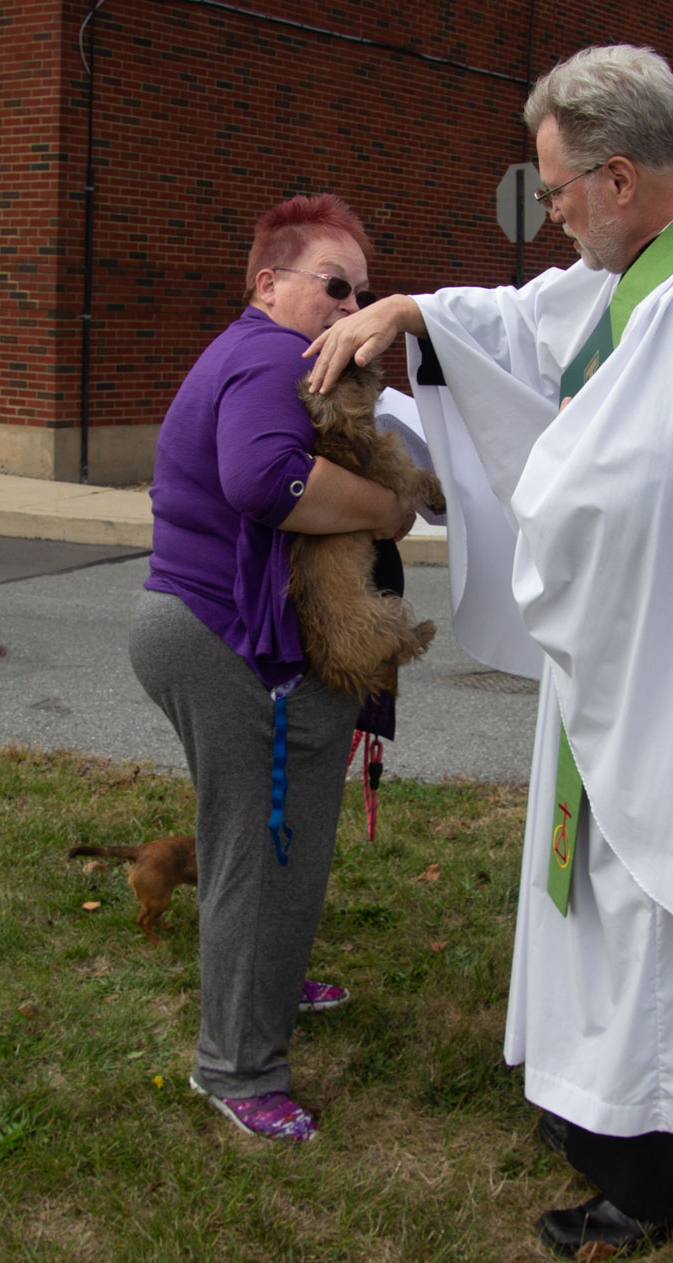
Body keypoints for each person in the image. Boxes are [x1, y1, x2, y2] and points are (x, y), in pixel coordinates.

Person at [307, 45, 673, 1252]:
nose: (552, 219)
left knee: (658, 905)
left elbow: (604, 492)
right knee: (636, 906)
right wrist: (419, 314)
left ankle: (665, 1174)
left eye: (559, 193)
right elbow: (537, 320)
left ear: (620, 178)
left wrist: (488, 474)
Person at [128, 193, 412, 1141]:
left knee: (282, 831)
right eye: (335, 286)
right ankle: (238, 1068)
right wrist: (385, 506)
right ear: (269, 283)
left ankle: (273, 983)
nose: (353, 308)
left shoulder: (266, 354)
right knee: (259, 839)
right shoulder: (266, 355)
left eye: (364, 293)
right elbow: (264, 480)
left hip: (212, 630)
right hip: (215, 637)